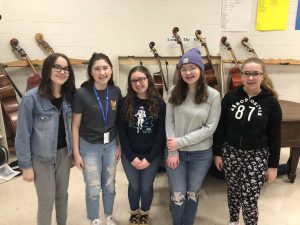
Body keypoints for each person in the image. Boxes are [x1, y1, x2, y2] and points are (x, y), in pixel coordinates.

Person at [213, 57, 282, 225]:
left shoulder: (271, 103)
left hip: (256, 156)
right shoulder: (230, 97)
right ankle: (233, 220)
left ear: (263, 76)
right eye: (246, 74)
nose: (251, 78)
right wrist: (218, 153)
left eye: (255, 74)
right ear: (241, 76)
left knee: (250, 196)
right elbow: (220, 128)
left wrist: (273, 166)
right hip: (231, 153)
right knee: (233, 191)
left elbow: (275, 137)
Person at [15, 53, 76, 225]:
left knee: (62, 196)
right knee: (46, 201)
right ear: (48, 69)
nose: (62, 71)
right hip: (41, 159)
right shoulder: (30, 98)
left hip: (64, 155)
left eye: (66, 69)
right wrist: (25, 165)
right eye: (57, 67)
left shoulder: (69, 98)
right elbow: (22, 135)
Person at [165, 48, 221, 225]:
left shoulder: (213, 95)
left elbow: (210, 128)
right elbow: (169, 122)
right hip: (176, 153)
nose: (188, 72)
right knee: (178, 193)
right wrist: (173, 151)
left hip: (201, 154)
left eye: (192, 67)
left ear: (201, 70)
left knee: (192, 192)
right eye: (184, 69)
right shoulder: (174, 91)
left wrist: (179, 142)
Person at [72, 52, 122, 225]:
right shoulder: (82, 93)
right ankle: (94, 218)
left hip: (111, 145)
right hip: (89, 146)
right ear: (91, 72)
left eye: (105, 68)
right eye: (97, 69)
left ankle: (108, 215)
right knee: (93, 186)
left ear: (111, 69)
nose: (102, 72)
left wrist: (120, 145)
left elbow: (119, 122)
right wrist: (76, 154)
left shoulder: (115, 91)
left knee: (109, 184)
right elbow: (75, 126)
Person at [117, 65, 166, 225]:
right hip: (129, 154)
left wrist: (150, 158)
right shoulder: (125, 103)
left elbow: (160, 135)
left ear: (148, 80)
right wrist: (131, 157)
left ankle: (144, 213)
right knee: (134, 185)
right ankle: (134, 213)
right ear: (130, 83)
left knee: (146, 187)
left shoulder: (159, 104)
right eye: (133, 81)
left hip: (151, 155)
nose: (138, 83)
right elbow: (122, 132)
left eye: (141, 79)